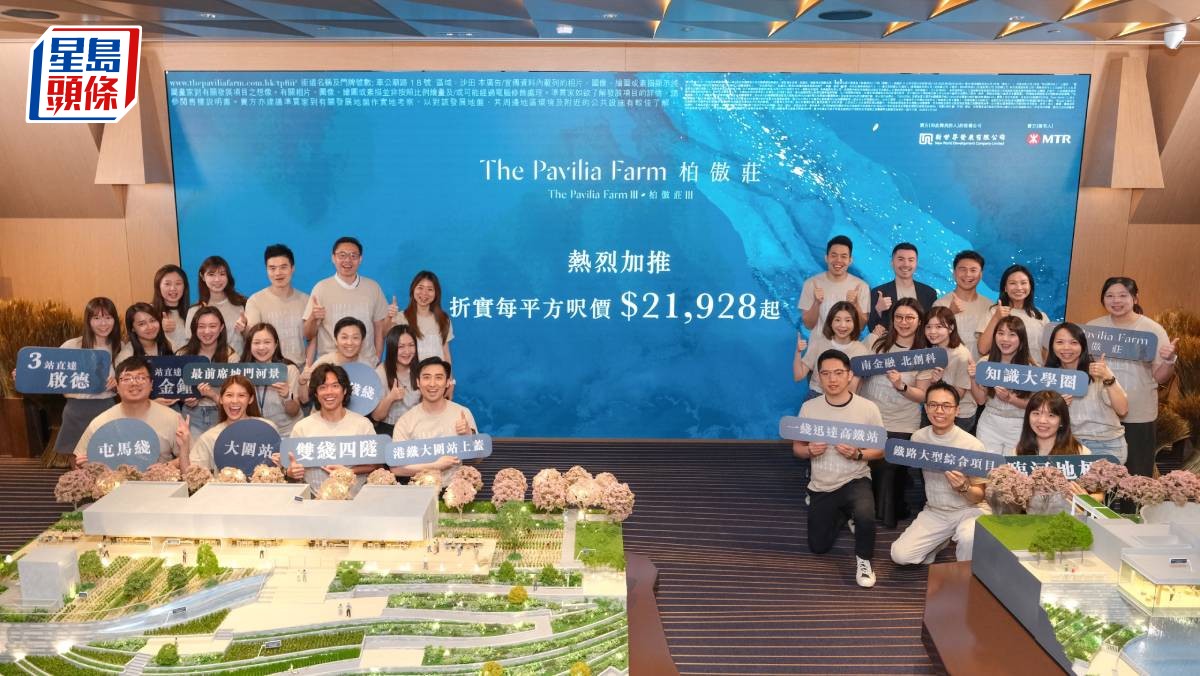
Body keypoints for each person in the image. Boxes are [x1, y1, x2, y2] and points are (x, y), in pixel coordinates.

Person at [792, 349, 885, 588]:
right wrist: (809, 451)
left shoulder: (867, 408)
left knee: (865, 515)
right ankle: (843, 514)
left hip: (856, 477)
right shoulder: (809, 408)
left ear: (849, 375)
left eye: (838, 373)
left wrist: (858, 454)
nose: (832, 379)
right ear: (818, 377)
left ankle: (864, 560)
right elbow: (797, 449)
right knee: (818, 547)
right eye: (825, 374)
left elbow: (880, 450)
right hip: (822, 484)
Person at [891, 383, 995, 564]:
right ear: (926, 408)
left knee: (968, 537)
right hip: (936, 511)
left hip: (969, 510)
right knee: (900, 556)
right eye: (933, 405)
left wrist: (964, 487)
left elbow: (979, 496)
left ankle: (964, 572)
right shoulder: (918, 439)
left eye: (946, 406)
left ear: (957, 410)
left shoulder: (972, 445)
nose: (939, 411)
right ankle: (941, 541)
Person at [1088, 277, 1177, 477]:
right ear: (1102, 300)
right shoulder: (1094, 328)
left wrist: (1168, 360)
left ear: (1135, 298)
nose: (1116, 300)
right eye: (1110, 296)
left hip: (1139, 414)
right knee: (1100, 476)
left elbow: (1161, 377)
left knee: (1137, 475)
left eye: (1123, 295)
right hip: (1101, 415)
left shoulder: (1152, 330)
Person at [859, 298, 932, 527]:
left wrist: (901, 385)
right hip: (871, 419)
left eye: (910, 317)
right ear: (892, 319)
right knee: (867, 465)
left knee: (889, 467)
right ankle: (864, 510)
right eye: (899, 317)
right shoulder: (876, 343)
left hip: (902, 423)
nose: (904, 322)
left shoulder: (923, 354)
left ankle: (887, 512)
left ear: (919, 321)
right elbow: (857, 373)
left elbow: (922, 395)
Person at [74, 356, 189, 468]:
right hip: (113, 480)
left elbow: (190, 458)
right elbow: (78, 459)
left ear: (151, 384)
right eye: (126, 379)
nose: (134, 383)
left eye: (141, 378)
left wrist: (164, 467)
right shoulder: (101, 422)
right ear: (117, 386)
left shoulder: (172, 418)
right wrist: (84, 464)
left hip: (160, 479)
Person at [285, 363, 378, 495]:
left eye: (335, 386)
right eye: (322, 387)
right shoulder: (302, 427)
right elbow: (290, 467)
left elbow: (375, 465)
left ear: (344, 390)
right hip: (313, 499)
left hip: (354, 499)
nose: (329, 392)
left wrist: (348, 472)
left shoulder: (362, 425)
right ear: (316, 393)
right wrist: (291, 472)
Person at [302, 236, 395, 366]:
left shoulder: (373, 287)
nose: (347, 260)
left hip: (365, 364)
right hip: (331, 365)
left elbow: (379, 330)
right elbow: (307, 335)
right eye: (342, 255)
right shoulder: (321, 288)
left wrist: (377, 359)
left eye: (353, 256)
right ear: (333, 258)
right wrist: (313, 317)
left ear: (360, 259)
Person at [1045, 322, 1128, 462]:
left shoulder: (1098, 371)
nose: (1066, 347)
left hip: (1106, 444)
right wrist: (1058, 407)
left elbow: (1123, 409)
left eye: (1073, 342)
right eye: (1060, 342)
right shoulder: (1049, 376)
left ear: (1082, 346)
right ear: (1052, 346)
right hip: (1069, 445)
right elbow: (1044, 419)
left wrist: (1108, 377)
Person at [53, 297, 121, 457]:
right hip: (76, 409)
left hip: (107, 407)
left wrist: (118, 384)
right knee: (76, 457)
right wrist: (24, 374)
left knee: (106, 456)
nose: (103, 323)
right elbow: (50, 371)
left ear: (114, 320)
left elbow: (129, 378)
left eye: (108, 317)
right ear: (88, 321)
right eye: (96, 318)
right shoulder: (72, 346)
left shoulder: (120, 347)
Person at [391, 357, 474, 480]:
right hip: (420, 488)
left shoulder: (462, 413)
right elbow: (396, 469)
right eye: (426, 377)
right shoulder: (406, 421)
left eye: (439, 378)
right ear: (418, 382)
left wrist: (469, 436)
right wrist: (434, 466)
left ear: (447, 382)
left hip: (455, 488)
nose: (432, 384)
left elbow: (478, 458)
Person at [188, 374, 276, 473]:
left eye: (241, 395)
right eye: (229, 395)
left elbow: (282, 466)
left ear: (250, 399)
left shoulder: (267, 428)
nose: (234, 401)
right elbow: (193, 473)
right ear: (221, 399)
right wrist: (183, 446)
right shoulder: (209, 437)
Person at [972, 316, 1033, 455]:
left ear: (1021, 339)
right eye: (1000, 333)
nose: (1005, 339)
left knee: (1012, 467)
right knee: (988, 465)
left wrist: (1010, 399)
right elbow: (980, 400)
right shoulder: (985, 363)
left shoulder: (1030, 368)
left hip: (1019, 425)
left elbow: (1033, 404)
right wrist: (972, 378)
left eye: (1012, 334)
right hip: (989, 424)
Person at [243, 244, 310, 366]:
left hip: (299, 369)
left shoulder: (306, 300)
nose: (278, 273)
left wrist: (308, 367)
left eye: (283, 267)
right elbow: (253, 338)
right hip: (269, 370)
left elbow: (312, 337)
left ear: (292, 268)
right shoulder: (255, 301)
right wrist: (243, 329)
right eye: (272, 268)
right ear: (266, 270)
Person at [176, 306, 237, 438]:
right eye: (201, 326)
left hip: (221, 414)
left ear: (221, 328)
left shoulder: (231, 357)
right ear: (194, 328)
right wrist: (185, 398)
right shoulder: (182, 354)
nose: (207, 331)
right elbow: (175, 388)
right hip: (191, 414)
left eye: (212, 326)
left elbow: (236, 398)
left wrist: (213, 395)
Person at [976, 264, 1051, 365]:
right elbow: (982, 349)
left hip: (1033, 373)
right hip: (1003, 372)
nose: (1019, 288)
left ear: (1030, 286)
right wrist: (996, 318)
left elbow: (1047, 354)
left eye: (1023, 283)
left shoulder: (1041, 317)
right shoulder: (995, 312)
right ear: (1005, 288)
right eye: (1012, 283)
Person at [793, 300, 868, 399]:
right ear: (830, 322)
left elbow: (855, 388)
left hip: (846, 399)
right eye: (837, 320)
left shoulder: (861, 350)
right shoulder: (819, 343)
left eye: (848, 320)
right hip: (817, 396)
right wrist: (798, 352)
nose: (842, 325)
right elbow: (798, 376)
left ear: (855, 323)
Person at [241, 324, 302, 436]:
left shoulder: (288, 370)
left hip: (287, 433)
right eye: (256, 343)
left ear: (276, 344)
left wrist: (287, 397)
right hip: (256, 433)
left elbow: (294, 412)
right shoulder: (243, 372)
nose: (261, 347)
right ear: (249, 345)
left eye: (267, 342)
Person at [799, 235, 870, 332]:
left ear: (850, 260)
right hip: (818, 342)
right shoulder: (811, 284)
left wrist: (855, 304)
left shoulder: (861, 286)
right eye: (834, 255)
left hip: (848, 342)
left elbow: (861, 327)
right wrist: (816, 303)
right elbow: (808, 325)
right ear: (826, 258)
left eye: (843, 256)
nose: (838, 260)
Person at [923, 306, 977, 432]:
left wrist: (940, 380)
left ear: (951, 328)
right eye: (928, 327)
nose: (932, 331)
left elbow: (959, 395)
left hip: (959, 414)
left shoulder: (961, 355)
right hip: (935, 408)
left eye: (939, 327)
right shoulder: (932, 349)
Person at [933, 250, 993, 359]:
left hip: (980, 367)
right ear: (954, 273)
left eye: (973, 270)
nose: (968, 274)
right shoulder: (940, 304)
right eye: (963, 269)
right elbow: (933, 339)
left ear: (980, 275)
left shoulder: (989, 306)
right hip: (949, 367)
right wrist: (949, 313)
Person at [867, 243, 939, 334]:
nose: (906, 264)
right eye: (901, 259)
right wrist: (878, 309)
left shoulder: (929, 293)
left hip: (920, 342)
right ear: (892, 263)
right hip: (890, 342)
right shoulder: (879, 292)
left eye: (911, 260)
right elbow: (872, 329)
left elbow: (933, 326)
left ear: (916, 264)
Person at [299, 317, 373, 404]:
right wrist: (303, 382)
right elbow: (304, 400)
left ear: (362, 341)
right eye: (344, 337)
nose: (349, 342)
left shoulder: (368, 366)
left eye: (355, 338)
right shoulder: (323, 363)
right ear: (335, 340)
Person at [185, 255, 249, 356]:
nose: (217, 279)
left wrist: (244, 331)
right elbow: (190, 345)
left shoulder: (242, 305)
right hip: (206, 364)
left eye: (222, 274)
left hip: (237, 363)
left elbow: (253, 341)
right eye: (211, 274)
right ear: (202, 276)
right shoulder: (195, 310)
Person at [372, 325, 422, 436]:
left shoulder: (421, 369)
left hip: (416, 427)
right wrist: (391, 398)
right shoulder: (380, 373)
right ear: (392, 348)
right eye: (401, 346)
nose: (407, 351)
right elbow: (376, 417)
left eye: (411, 345)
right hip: (389, 429)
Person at [399, 271, 454, 363]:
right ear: (413, 289)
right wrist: (389, 317)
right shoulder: (401, 317)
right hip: (412, 372)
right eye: (420, 288)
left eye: (430, 289)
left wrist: (449, 372)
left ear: (436, 293)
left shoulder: (443, 319)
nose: (424, 293)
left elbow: (446, 354)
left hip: (437, 371)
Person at [1014, 390, 1090, 456]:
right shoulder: (1018, 453)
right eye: (1036, 413)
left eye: (1051, 415)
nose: (1042, 421)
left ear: (1062, 421)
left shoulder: (1081, 453)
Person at [153, 264, 191, 350]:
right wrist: (158, 328)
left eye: (178, 283)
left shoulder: (192, 311)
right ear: (158, 286)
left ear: (184, 286)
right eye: (167, 284)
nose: (173, 288)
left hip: (189, 358)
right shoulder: (150, 312)